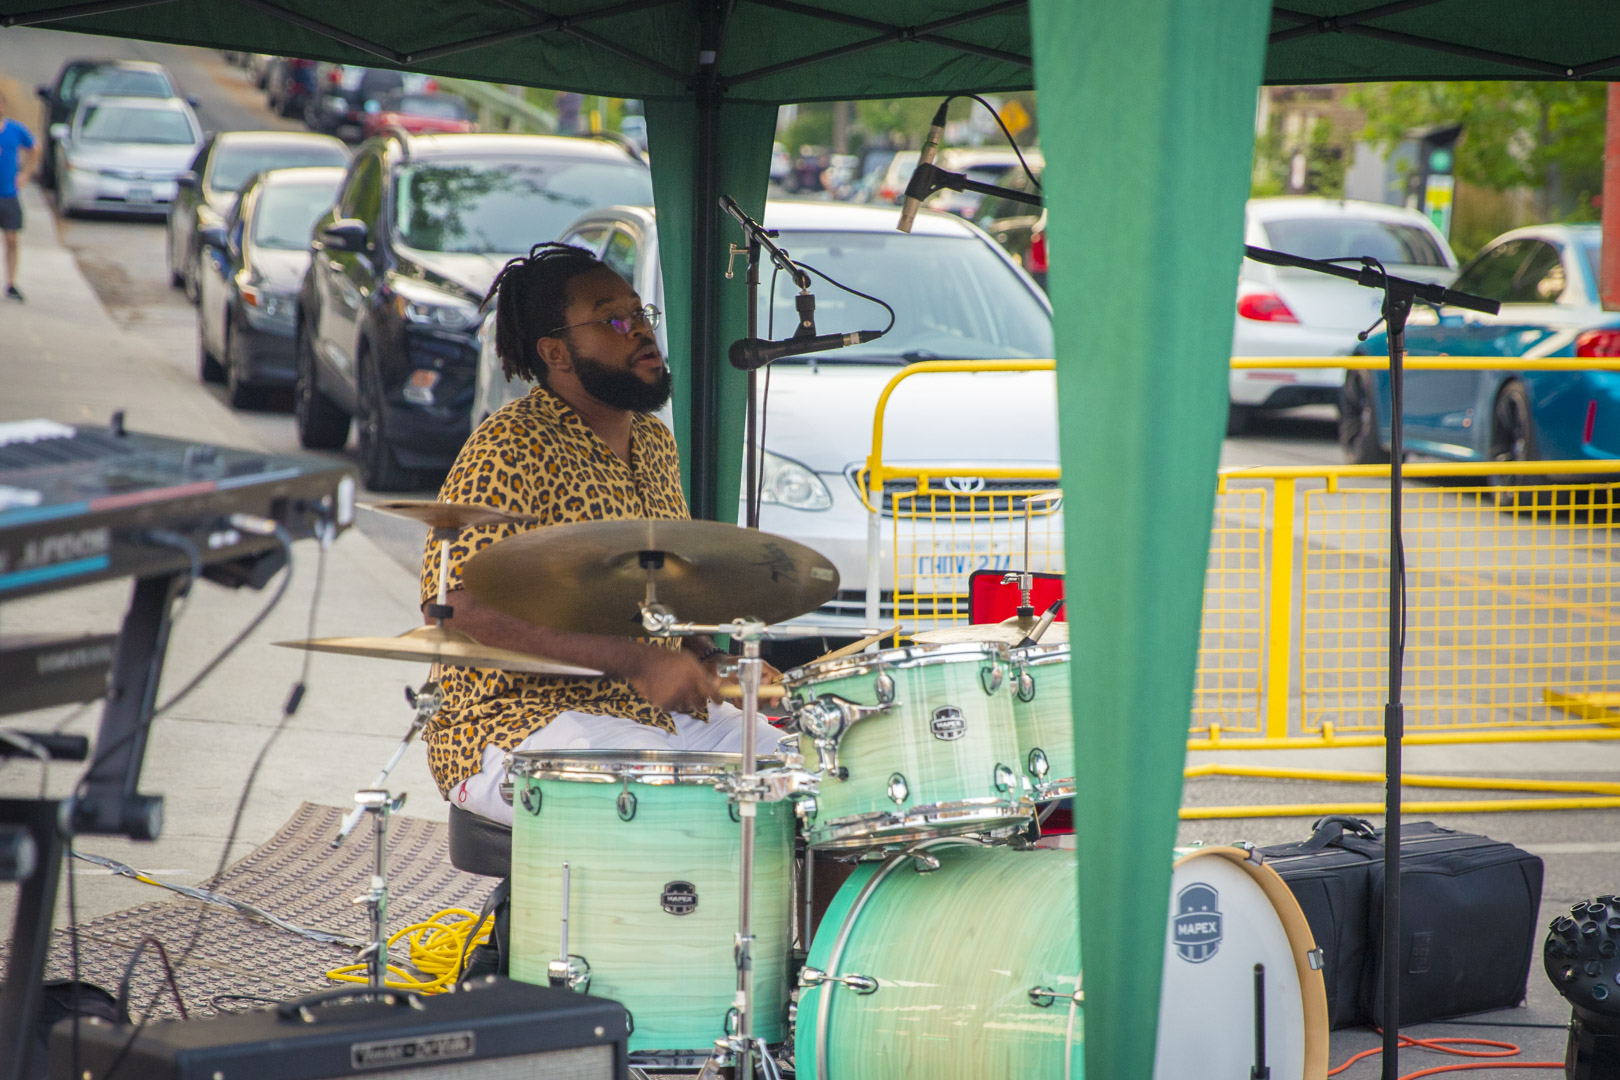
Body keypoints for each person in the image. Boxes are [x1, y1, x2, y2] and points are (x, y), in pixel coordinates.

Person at [419, 242, 781, 827]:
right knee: (668, 801)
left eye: (642, 314)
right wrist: (635, 662)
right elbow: (457, 607)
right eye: (616, 319)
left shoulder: (655, 442)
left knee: (795, 772)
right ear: (556, 352)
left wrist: (714, 664)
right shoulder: (510, 446)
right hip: (509, 720)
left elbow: (656, 608)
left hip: (646, 712)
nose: (641, 331)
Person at [0, 91, 36, 302]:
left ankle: (11, 283)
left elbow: (35, 149)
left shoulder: (15, 129)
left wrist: (26, 174)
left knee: (12, 238)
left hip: (8, 194)